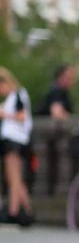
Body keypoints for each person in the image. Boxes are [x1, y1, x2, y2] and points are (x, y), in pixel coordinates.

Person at [35, 63, 77, 195]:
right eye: (69, 77)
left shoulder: (60, 92)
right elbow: (57, 113)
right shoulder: (57, 91)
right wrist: (72, 120)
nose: (72, 80)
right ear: (60, 77)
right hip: (47, 137)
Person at [0, 67, 33, 226]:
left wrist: (4, 114)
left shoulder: (18, 95)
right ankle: (27, 211)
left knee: (13, 178)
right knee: (16, 179)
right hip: (15, 140)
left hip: (15, 140)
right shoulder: (15, 96)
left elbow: (21, 116)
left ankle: (13, 211)